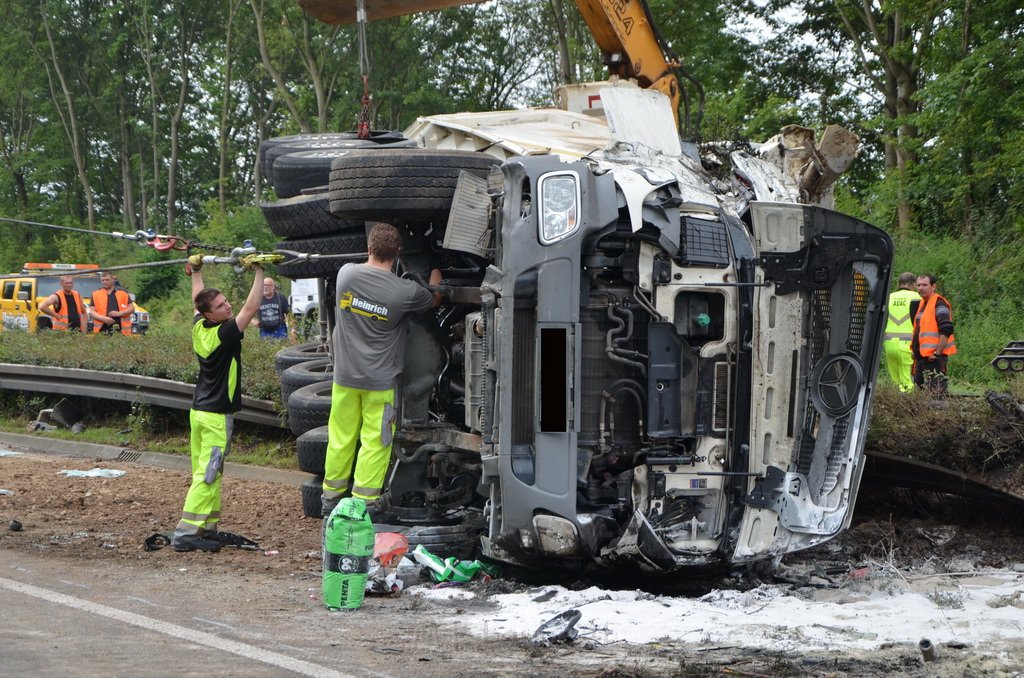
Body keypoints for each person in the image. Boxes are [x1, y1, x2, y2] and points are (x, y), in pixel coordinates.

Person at [322, 223, 442, 519]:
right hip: (380, 382)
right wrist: (438, 269)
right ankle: (364, 503)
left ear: (369, 248)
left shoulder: (345, 275)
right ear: (397, 253)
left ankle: (330, 498)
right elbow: (435, 298)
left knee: (341, 436)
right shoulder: (405, 292)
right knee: (376, 441)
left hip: (345, 378)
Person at [171, 255, 264, 552]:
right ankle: (185, 533)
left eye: (226, 301)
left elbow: (195, 300)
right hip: (215, 417)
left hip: (198, 412)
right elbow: (251, 307)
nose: (228, 306)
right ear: (212, 315)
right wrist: (260, 271)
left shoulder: (201, 327)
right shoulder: (225, 332)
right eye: (222, 306)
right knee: (207, 475)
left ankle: (206, 526)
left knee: (210, 471)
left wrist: (196, 271)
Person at [911, 273, 956, 394]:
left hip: (934, 359)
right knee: (920, 395)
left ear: (933, 286)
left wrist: (937, 353)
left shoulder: (939, 303)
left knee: (936, 395)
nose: (921, 288)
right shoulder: (921, 304)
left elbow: (946, 329)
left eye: (925, 285)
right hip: (921, 358)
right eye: (919, 285)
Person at [883, 272, 920, 392]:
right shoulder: (916, 298)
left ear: (899, 284)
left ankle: (893, 403)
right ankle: (906, 406)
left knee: (895, 381)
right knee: (907, 380)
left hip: (889, 345)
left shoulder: (889, 297)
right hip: (906, 345)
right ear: (913, 284)